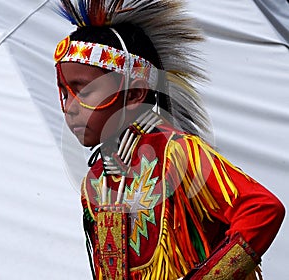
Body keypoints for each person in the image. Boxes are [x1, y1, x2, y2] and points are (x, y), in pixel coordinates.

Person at [53, 0, 285, 279]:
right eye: (65, 94)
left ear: (136, 92)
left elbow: (262, 209)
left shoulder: (178, 152)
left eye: (84, 92)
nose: (70, 107)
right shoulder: (96, 180)